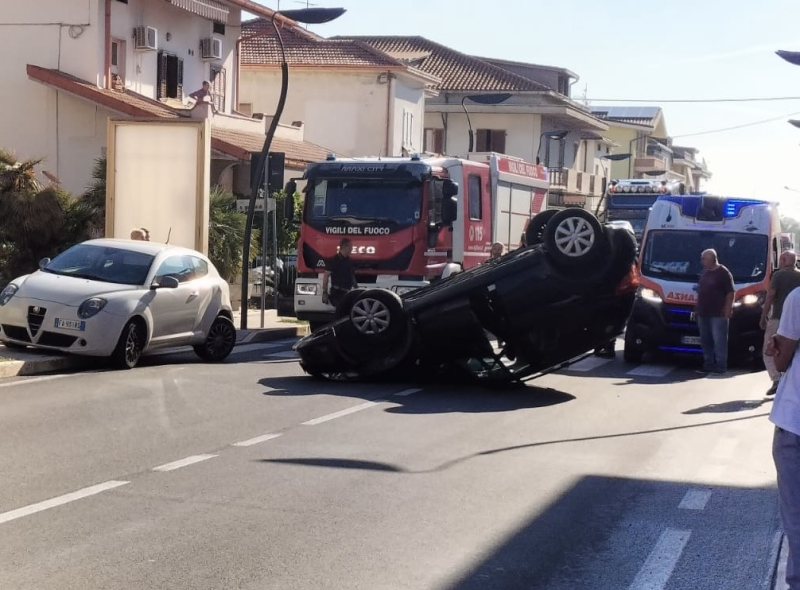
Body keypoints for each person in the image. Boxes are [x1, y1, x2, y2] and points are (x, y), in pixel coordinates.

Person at [765, 287, 800, 590]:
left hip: (795, 423)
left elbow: (783, 359)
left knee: (797, 520)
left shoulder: (798, 298)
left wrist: (776, 349)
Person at [761, 250, 800, 395]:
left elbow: (771, 295)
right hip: (796, 320)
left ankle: (777, 378)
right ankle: (788, 379)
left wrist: (764, 315)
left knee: (769, 349)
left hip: (778, 318)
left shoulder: (778, 275)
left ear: (783, 260)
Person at [696, 248, 734, 375]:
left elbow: (730, 292)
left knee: (719, 340)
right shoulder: (705, 272)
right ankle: (708, 364)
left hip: (718, 313)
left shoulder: (723, 272)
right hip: (703, 312)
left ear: (713, 259)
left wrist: (728, 309)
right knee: (705, 339)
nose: (702, 261)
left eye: (704, 259)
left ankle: (720, 366)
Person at [321, 238, 357, 308]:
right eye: (351, 247)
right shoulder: (334, 260)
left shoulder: (350, 261)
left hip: (347, 292)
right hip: (337, 293)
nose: (352, 249)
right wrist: (325, 293)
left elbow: (352, 276)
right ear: (345, 247)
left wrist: (356, 289)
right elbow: (326, 276)